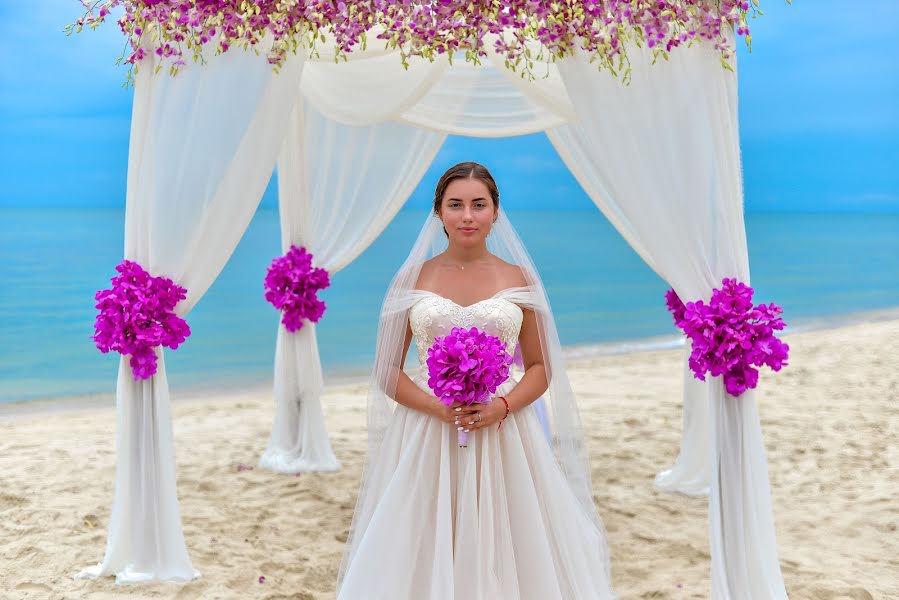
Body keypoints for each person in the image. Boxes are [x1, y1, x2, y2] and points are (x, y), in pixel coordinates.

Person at [337, 162, 616, 599]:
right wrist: (438, 407)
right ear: (439, 213)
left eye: (478, 205)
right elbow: (386, 370)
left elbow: (541, 367)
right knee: (426, 530)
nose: (467, 215)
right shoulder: (411, 279)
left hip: (506, 429)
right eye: (456, 205)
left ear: (495, 212)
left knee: (512, 533)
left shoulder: (518, 279)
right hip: (429, 429)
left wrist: (501, 407)